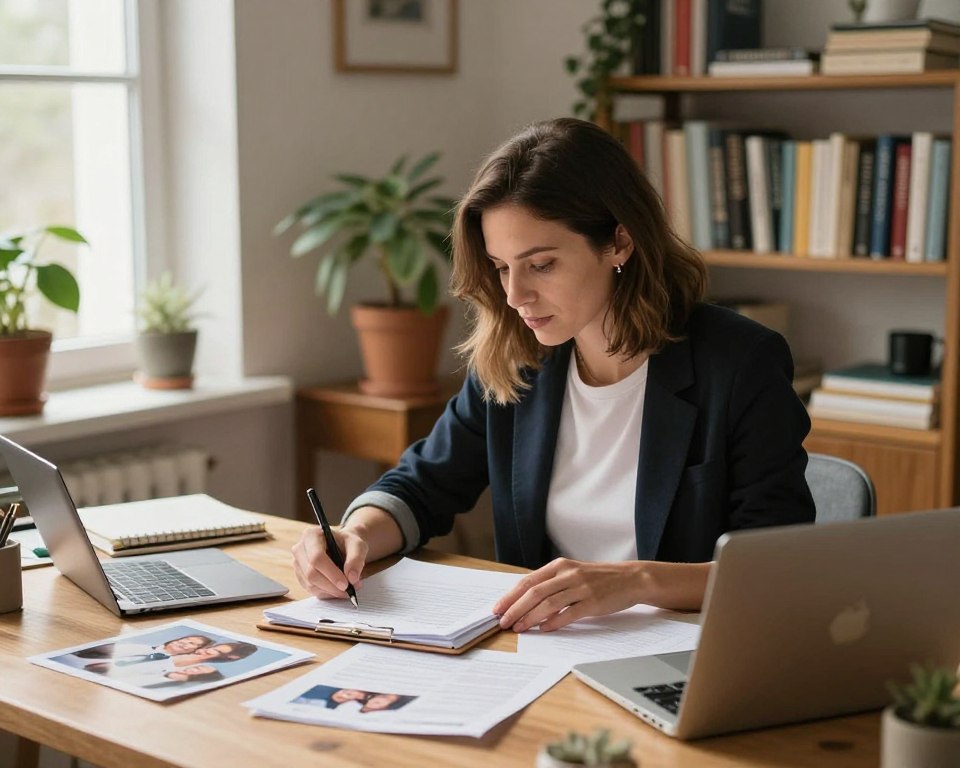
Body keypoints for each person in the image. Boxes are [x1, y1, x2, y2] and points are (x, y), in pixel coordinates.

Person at [292, 117, 815, 633]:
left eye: (541, 264)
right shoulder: (516, 359)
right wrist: (352, 535)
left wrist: (635, 581)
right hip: (543, 650)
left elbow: (773, 568)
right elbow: (422, 485)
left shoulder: (741, 363)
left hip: (683, 654)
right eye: (501, 266)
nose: (515, 295)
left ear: (619, 243)